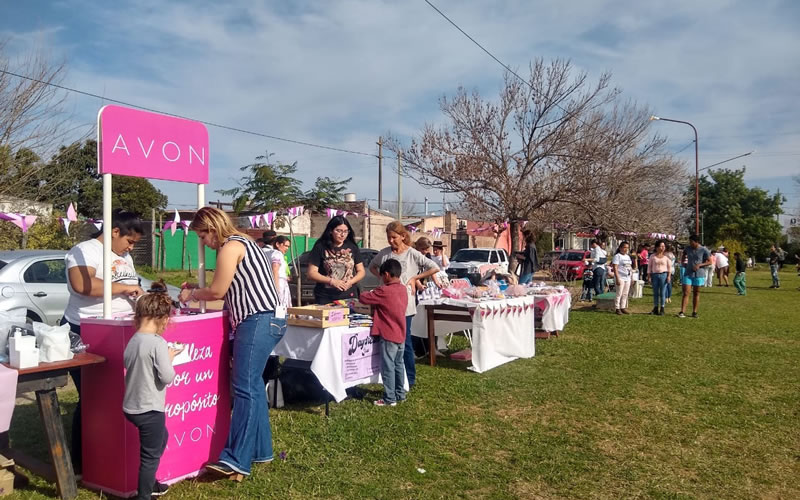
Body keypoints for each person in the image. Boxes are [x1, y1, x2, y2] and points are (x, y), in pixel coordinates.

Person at [178, 207, 284, 479]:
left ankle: (236, 459)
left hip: (257, 320)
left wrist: (190, 294)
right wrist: (197, 294)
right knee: (254, 387)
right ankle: (261, 451)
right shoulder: (247, 242)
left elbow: (216, 291)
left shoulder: (231, 246)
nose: (203, 242)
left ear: (212, 228)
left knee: (244, 388)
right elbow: (225, 295)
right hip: (267, 319)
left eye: (202, 235)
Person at [61, 209, 145, 472]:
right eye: (129, 241)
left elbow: (130, 284)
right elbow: (83, 285)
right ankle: (82, 461)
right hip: (84, 329)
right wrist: (125, 288)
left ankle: (113, 451)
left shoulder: (125, 257)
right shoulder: (83, 250)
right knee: (92, 397)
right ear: (114, 231)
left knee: (116, 394)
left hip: (120, 329)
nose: (130, 248)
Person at [123, 289, 183, 499]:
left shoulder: (134, 340)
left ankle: (151, 483)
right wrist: (169, 358)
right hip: (149, 410)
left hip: (132, 406)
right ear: (164, 319)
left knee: (160, 439)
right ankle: (144, 494)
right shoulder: (157, 343)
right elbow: (167, 376)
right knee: (149, 457)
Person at [369, 221, 440, 388]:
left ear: (402, 236)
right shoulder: (384, 254)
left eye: (394, 237)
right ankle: (389, 376)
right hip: (386, 305)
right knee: (386, 340)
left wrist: (415, 278)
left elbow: (434, 267)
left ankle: (410, 378)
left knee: (404, 341)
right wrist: (381, 278)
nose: (391, 241)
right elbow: (372, 266)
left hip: (405, 304)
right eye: (388, 238)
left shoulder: (412, 254)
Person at [358, 260, 408, 407]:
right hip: (400, 333)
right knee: (399, 365)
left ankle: (389, 398)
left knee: (388, 367)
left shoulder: (384, 291)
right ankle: (400, 394)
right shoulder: (403, 289)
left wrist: (370, 291)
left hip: (388, 334)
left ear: (386, 275)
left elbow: (364, 298)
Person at [307, 216, 365, 304]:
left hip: (348, 296)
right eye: (339, 231)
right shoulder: (320, 247)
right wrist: (332, 281)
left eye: (345, 231)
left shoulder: (352, 247)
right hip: (325, 296)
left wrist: (351, 282)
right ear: (330, 231)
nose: (342, 235)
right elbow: (311, 273)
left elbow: (361, 271)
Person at [678, 234, 711, 318]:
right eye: (690, 242)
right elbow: (684, 255)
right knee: (686, 292)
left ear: (696, 242)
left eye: (691, 242)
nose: (690, 243)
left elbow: (710, 262)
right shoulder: (688, 248)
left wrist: (700, 265)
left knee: (696, 293)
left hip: (699, 273)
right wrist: (683, 262)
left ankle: (694, 312)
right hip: (688, 273)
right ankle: (682, 311)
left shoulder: (704, 250)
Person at [648, 240, 672, 316]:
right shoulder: (652, 256)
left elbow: (669, 268)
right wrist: (649, 276)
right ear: (657, 247)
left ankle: (662, 308)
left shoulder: (666, 257)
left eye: (663, 246)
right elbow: (649, 267)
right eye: (661, 246)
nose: (662, 248)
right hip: (654, 275)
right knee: (655, 292)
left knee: (662, 292)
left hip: (663, 275)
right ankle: (655, 307)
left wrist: (668, 276)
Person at [270, 236, 292, 311]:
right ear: (278, 244)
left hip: (281, 282)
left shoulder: (275, 253)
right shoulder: (277, 254)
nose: (287, 248)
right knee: (280, 306)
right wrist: (277, 288)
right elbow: (275, 269)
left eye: (288, 246)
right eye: (285, 246)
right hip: (279, 284)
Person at [611, 241, 633, 315]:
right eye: (624, 247)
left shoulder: (628, 256)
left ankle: (623, 307)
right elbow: (615, 267)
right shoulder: (617, 256)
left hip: (627, 277)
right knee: (619, 293)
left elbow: (630, 267)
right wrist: (617, 278)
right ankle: (617, 307)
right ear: (620, 248)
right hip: (620, 277)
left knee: (625, 293)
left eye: (627, 248)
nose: (626, 249)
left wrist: (631, 277)